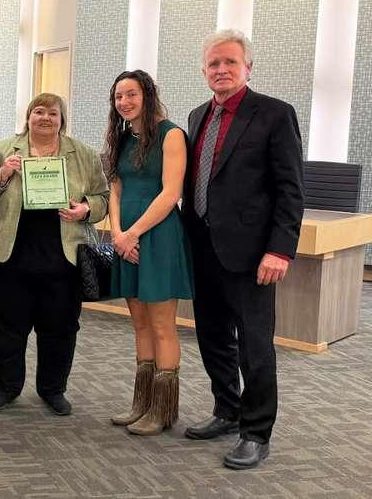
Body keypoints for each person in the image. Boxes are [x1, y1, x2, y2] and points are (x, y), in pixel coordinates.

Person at [181, 30, 303, 470]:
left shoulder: (274, 114)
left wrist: (281, 250)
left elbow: (290, 190)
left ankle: (256, 432)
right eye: (214, 64)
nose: (221, 70)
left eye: (230, 63)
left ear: (248, 68)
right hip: (203, 248)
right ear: (204, 71)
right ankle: (226, 411)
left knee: (254, 344)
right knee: (213, 338)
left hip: (252, 254)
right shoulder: (197, 116)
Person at [0, 93, 109, 416]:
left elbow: (102, 197)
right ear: (28, 117)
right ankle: (6, 386)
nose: (45, 118)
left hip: (63, 256)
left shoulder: (85, 155)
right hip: (12, 254)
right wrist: (3, 174)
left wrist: (85, 209)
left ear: (62, 119)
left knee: (61, 327)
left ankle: (53, 388)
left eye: (53, 113)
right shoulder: (3, 150)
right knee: (7, 325)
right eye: (39, 111)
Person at [104, 70, 194, 436]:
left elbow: (171, 194)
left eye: (131, 94)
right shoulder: (124, 139)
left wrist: (134, 233)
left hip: (157, 235)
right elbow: (115, 191)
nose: (124, 102)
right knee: (139, 324)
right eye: (118, 97)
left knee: (161, 325)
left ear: (148, 94)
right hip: (126, 238)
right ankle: (141, 404)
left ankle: (163, 410)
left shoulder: (172, 135)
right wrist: (117, 234)